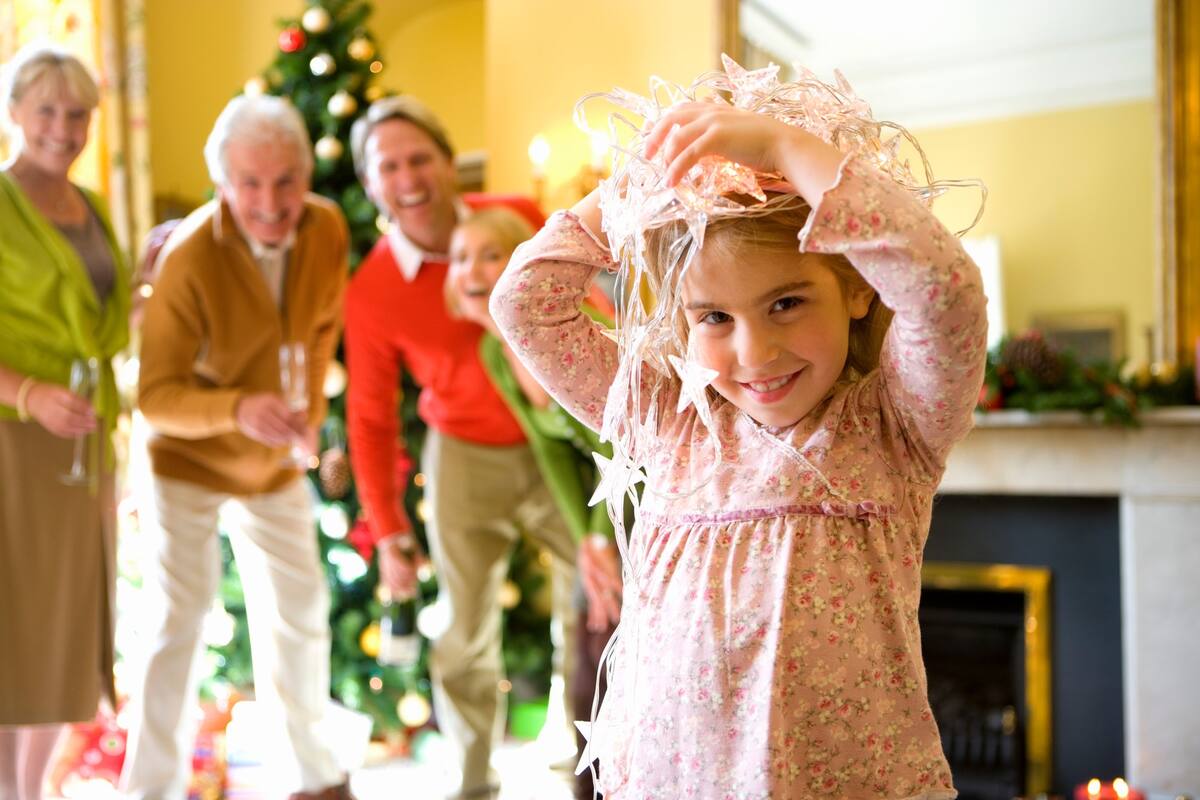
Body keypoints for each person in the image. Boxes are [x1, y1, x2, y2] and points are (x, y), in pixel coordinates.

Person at [490, 59, 988, 798]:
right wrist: (645, 183)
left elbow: (944, 291)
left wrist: (785, 149)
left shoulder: (895, 426)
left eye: (787, 303)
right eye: (714, 318)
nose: (754, 353)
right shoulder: (670, 421)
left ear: (855, 287)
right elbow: (525, 303)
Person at [344, 96, 578, 799]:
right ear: (370, 184)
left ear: (449, 163)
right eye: (389, 166)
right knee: (463, 630)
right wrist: (387, 530)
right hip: (463, 455)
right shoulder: (374, 290)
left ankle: (587, 766)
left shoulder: (517, 220)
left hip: (553, 444)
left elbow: (587, 304)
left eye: (420, 158)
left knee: (592, 607)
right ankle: (473, 783)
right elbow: (371, 419)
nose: (409, 177)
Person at [120, 94, 351, 800]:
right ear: (224, 183)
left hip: (271, 457)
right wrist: (236, 409)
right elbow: (155, 396)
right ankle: (149, 789)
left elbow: (318, 332)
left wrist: (307, 412)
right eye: (250, 184)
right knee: (178, 621)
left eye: (285, 181)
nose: (271, 202)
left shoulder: (326, 229)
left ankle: (311, 777)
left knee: (301, 610)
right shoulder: (190, 257)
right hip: (185, 456)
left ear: (305, 175)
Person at [446, 208, 623, 800]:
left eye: (489, 254)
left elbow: (625, 440)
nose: (471, 270)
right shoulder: (498, 355)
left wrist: (600, 537)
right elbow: (555, 456)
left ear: (523, 266)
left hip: (649, 499)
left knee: (611, 648)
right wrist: (586, 537)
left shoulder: (574, 328)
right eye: (461, 257)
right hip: (604, 508)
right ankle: (589, 786)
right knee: (589, 650)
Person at [0, 43, 129, 800]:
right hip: (15, 439)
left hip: (84, 440)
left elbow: (100, 325)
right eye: (46, 110)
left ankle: (32, 788)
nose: (63, 127)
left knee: (68, 626)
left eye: (77, 113)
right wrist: (27, 395)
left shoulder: (94, 207)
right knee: (17, 625)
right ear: (15, 113)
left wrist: (140, 286)